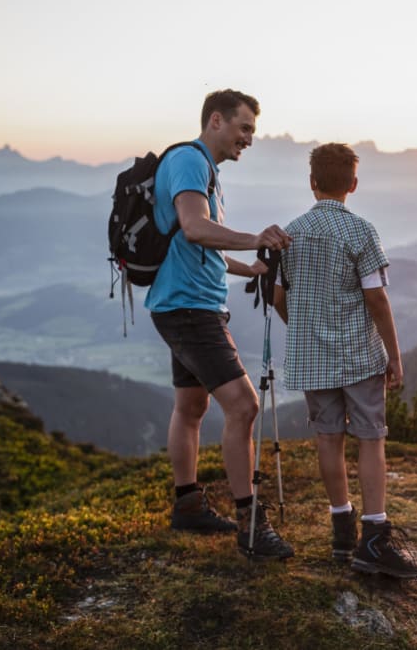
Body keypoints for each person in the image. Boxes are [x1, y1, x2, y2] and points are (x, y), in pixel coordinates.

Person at [147, 88, 295, 561]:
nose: (249, 138)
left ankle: (188, 504)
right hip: (189, 308)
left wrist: (246, 268)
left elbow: (196, 242)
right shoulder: (190, 162)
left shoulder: (204, 169)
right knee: (245, 406)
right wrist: (255, 239)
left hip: (185, 303)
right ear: (216, 120)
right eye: (244, 127)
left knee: (191, 406)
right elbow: (194, 227)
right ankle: (251, 525)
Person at [274, 142, 417, 579]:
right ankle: (373, 537)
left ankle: (342, 531)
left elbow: (278, 296)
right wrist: (394, 355)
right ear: (353, 184)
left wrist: (303, 327)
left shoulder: (290, 233)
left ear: (312, 182)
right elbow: (377, 299)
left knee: (328, 438)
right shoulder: (361, 232)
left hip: (312, 359)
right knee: (371, 438)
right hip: (358, 355)